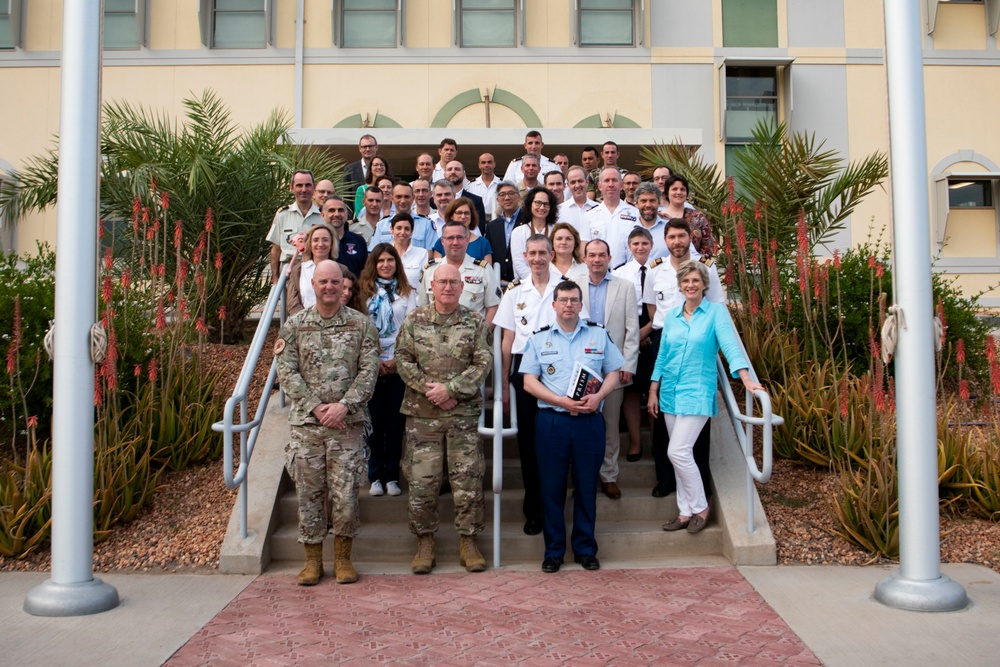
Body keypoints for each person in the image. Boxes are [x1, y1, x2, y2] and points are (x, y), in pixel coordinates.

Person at [274, 260, 380, 585]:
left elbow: (369, 371)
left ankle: (344, 558)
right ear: (314, 285)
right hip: (308, 427)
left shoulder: (362, 326)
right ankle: (312, 560)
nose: (329, 287)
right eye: (323, 282)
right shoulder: (294, 325)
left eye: (335, 282)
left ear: (343, 285)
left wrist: (343, 407)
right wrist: (317, 407)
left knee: (346, 494)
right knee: (309, 495)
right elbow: (286, 372)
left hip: (347, 426)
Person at [648, 260, 762, 533]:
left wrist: (746, 378)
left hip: (697, 390)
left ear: (704, 285)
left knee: (677, 451)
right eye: (686, 281)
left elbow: (730, 346)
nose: (690, 285)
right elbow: (662, 356)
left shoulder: (715, 313)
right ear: (680, 285)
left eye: (695, 281)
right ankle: (684, 511)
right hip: (670, 392)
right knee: (678, 455)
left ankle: (700, 507)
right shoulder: (673, 316)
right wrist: (653, 389)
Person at [520, 280, 625, 573]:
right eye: (563, 300)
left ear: (581, 305)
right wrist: (560, 401)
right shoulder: (539, 339)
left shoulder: (598, 335)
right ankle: (554, 551)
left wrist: (599, 396)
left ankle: (585, 548)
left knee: (586, 486)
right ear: (554, 305)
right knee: (551, 487)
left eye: (574, 300)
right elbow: (528, 382)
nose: (568, 304)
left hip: (589, 422)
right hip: (553, 421)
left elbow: (614, 373)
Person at [395, 263, 493, 574]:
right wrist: (431, 390)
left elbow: (482, 362)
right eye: (442, 282)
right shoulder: (415, 320)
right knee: (423, 481)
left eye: (453, 282)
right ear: (432, 287)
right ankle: (425, 542)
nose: (448, 287)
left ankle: (469, 541)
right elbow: (403, 359)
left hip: (461, 413)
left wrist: (450, 389)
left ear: (462, 287)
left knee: (468, 481)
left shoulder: (475, 321)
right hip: (423, 415)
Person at [643, 218, 723, 498]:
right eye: (671, 237)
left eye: (681, 236)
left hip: (699, 344)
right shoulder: (655, 271)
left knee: (695, 420)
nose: (677, 241)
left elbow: (717, 307)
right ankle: (666, 478)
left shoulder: (707, 268)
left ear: (691, 237)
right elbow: (653, 309)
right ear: (665, 241)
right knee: (664, 414)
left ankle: (698, 481)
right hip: (665, 342)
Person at [494, 234, 565, 536]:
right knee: (528, 445)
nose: (537, 259)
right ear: (524, 255)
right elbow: (507, 340)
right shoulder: (514, 292)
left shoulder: (566, 287)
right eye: (532, 253)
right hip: (524, 371)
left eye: (542, 253)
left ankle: (555, 508)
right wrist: (503, 386)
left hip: (557, 369)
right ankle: (533, 510)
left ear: (551, 254)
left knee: (556, 443)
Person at [578, 239, 639, 500]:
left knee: (610, 425)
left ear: (610, 257)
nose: (597, 259)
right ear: (584, 258)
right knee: (581, 424)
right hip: (582, 367)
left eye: (602, 255)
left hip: (613, 367)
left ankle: (609, 476)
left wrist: (628, 363)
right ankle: (583, 477)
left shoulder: (624, 287)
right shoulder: (573, 286)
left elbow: (632, 330)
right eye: (592, 255)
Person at [358, 244, 418, 499]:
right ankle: (375, 476)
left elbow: (411, 327)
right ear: (374, 263)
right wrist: (376, 360)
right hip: (370, 364)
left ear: (397, 263)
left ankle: (392, 476)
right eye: (381, 260)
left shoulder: (408, 292)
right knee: (374, 424)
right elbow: (360, 328)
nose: (385, 264)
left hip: (399, 363)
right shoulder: (364, 293)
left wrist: (395, 359)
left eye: (390, 260)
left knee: (395, 425)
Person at [613, 227, 657, 462]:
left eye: (644, 243)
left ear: (651, 245)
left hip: (653, 327)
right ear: (629, 247)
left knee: (653, 387)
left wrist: (647, 330)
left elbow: (662, 307)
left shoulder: (659, 270)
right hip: (628, 330)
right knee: (630, 390)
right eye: (636, 243)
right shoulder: (619, 272)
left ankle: (656, 440)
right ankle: (635, 443)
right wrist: (633, 336)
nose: (640, 247)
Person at [419, 219, 501, 327]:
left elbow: (493, 307)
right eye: (450, 238)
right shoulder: (430, 270)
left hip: (471, 339)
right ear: (442, 241)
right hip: (435, 339)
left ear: (467, 240)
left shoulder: (483, 270)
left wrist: (483, 335)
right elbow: (422, 307)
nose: (455, 242)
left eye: (460, 237)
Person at [267, 169, 323, 282]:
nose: (304, 189)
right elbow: (276, 249)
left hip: (315, 271)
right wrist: (275, 278)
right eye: (299, 185)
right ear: (291, 188)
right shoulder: (282, 215)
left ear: (314, 188)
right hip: (288, 271)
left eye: (308, 185)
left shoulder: (323, 216)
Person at [584, 167, 641, 268]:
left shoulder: (635, 214)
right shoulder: (589, 216)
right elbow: (584, 248)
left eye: (614, 180)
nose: (611, 184)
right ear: (599, 186)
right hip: (598, 273)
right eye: (606, 180)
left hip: (628, 273)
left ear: (621, 185)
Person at [369, 181, 438, 251]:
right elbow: (373, 253)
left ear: (413, 198)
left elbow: (432, 254)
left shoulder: (427, 224)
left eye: (406, 197)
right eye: (399, 197)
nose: (403, 201)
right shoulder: (381, 225)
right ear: (392, 198)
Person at [287, 224, 339, 315]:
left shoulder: (341, 270)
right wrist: (309, 320)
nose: (320, 244)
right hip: (305, 323)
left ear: (331, 244)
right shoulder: (298, 271)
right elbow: (292, 304)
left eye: (325, 240)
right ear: (309, 244)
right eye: (315, 240)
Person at [510, 186, 558, 280]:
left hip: (553, 283)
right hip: (525, 283)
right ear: (530, 205)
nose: (542, 207)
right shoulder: (518, 232)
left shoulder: (556, 231)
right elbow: (519, 264)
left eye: (546, 204)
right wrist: (535, 281)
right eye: (538, 203)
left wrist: (549, 281)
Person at [661, 174, 715, 258]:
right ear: (667, 192)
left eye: (682, 189)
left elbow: (708, 246)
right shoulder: (659, 217)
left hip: (693, 267)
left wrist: (695, 262)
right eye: (674, 189)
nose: (678, 192)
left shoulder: (698, 217)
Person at [428, 198, 493, 264]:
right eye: (459, 213)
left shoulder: (483, 243)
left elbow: (487, 271)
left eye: (467, 213)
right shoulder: (441, 242)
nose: (463, 216)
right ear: (451, 216)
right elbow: (437, 270)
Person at [483, 181, 522, 285]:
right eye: (502, 194)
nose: (507, 198)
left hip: (523, 281)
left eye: (511, 193)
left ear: (518, 197)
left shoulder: (528, 221)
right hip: (499, 283)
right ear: (497, 200)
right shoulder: (492, 226)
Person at [323, 197, 369, 278]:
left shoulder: (359, 241)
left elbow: (365, 272)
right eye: (331, 210)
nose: (336, 214)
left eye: (340, 210)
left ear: (347, 214)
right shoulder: (318, 242)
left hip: (354, 290)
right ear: (323, 215)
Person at [557, 165, 599, 238]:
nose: (577, 185)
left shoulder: (599, 209)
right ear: (568, 185)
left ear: (587, 182)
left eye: (580, 181)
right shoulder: (559, 210)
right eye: (573, 182)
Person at [389, 213, 429, 290]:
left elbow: (425, 283)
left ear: (412, 231)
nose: (402, 232)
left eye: (407, 229)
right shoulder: (384, 253)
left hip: (414, 300)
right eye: (399, 228)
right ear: (391, 229)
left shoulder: (422, 254)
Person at [466, 152, 500, 221]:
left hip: (497, 221)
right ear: (479, 165)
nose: (486, 165)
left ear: (494, 164)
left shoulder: (502, 184)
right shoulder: (470, 186)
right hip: (476, 222)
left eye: (489, 162)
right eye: (483, 163)